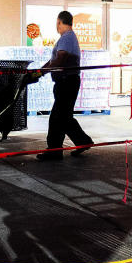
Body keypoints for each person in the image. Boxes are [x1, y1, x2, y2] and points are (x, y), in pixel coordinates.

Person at [36, 11, 94, 161]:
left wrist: (41, 72)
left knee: (57, 117)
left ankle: (54, 151)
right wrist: (41, 70)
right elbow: (55, 60)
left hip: (66, 82)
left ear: (59, 22)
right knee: (65, 117)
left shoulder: (67, 37)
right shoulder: (67, 37)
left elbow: (60, 59)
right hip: (67, 82)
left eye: (57, 23)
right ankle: (83, 142)